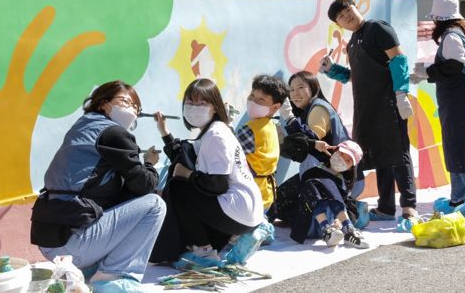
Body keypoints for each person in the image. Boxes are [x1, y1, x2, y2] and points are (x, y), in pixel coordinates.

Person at [30, 80, 166, 292]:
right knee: (155, 205)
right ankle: (112, 277)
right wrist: (149, 164)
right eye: (124, 101)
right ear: (103, 104)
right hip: (71, 241)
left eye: (136, 107)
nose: (131, 109)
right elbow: (144, 184)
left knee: (125, 203)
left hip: (50, 239)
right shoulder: (113, 133)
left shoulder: (84, 126)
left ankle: (89, 271)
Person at [320, 0, 417, 221]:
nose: (347, 17)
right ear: (339, 25)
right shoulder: (353, 41)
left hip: (389, 103)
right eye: (341, 17)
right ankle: (385, 207)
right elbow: (356, 76)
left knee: (398, 153)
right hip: (366, 108)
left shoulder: (377, 28)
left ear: (356, 8)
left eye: (348, 10)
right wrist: (331, 69)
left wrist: (401, 94)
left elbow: (398, 60)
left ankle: (408, 206)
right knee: (378, 155)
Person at [149, 78, 264, 266]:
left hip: (236, 212)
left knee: (178, 187)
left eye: (202, 103)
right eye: (190, 102)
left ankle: (204, 252)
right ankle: (236, 239)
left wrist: (187, 174)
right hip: (247, 211)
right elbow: (182, 154)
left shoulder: (215, 136)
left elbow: (217, 185)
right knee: (189, 190)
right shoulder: (215, 131)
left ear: (215, 107)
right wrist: (164, 132)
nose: (195, 107)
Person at [411, 0, 465, 220]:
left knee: (464, 154)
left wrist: (428, 72)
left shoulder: (450, 37)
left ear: (439, 19)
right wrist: (428, 71)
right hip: (460, 102)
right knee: (456, 152)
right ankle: (458, 198)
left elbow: (456, 64)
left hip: (460, 103)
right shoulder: (456, 34)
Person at [269, 71, 368, 233]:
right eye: (291, 89)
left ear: (313, 88)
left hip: (341, 179)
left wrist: (290, 121)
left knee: (306, 219)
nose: (295, 93)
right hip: (318, 175)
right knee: (281, 205)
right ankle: (341, 212)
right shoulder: (306, 110)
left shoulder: (318, 108)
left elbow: (309, 140)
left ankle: (351, 211)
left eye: (301, 87)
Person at [292, 140, 369, 249]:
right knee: (312, 182)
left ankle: (348, 231)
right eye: (341, 153)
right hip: (307, 224)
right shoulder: (313, 166)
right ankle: (331, 231)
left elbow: (350, 207)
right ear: (335, 149)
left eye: (347, 160)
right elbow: (290, 144)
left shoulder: (343, 183)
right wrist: (313, 144)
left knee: (329, 184)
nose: (342, 159)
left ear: (351, 167)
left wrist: (338, 221)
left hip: (332, 226)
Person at [235, 74, 289, 211]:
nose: (253, 102)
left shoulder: (251, 129)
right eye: (252, 96)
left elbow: (226, 149)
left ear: (275, 107)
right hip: (265, 194)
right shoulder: (269, 125)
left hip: (248, 196)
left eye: (261, 100)